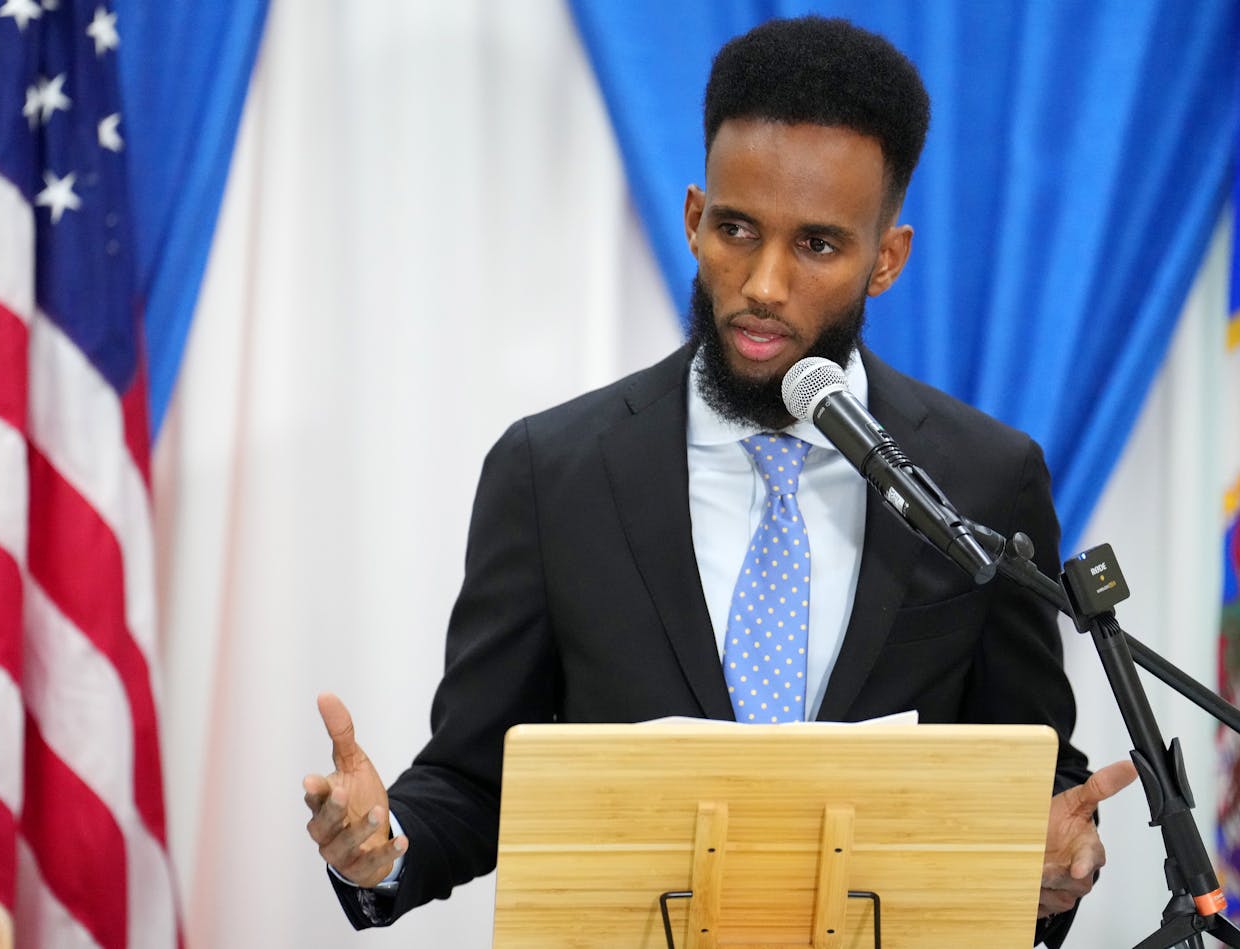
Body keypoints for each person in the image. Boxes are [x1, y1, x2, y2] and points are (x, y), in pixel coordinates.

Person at [303, 15, 1135, 946]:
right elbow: (475, 775)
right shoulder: (553, 473)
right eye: (737, 228)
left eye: (818, 245)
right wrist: (384, 844)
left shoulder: (984, 478)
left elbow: (1029, 773)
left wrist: (1058, 852)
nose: (765, 284)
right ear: (695, 218)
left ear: (886, 259)